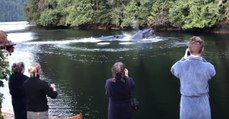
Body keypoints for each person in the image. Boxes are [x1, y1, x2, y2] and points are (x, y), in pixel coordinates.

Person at [170, 36, 216, 119]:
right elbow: (212, 72)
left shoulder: (180, 65)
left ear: (188, 49)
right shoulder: (208, 67)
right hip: (203, 104)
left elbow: (173, 70)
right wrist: (200, 59)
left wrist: (184, 57)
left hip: (186, 105)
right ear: (202, 50)